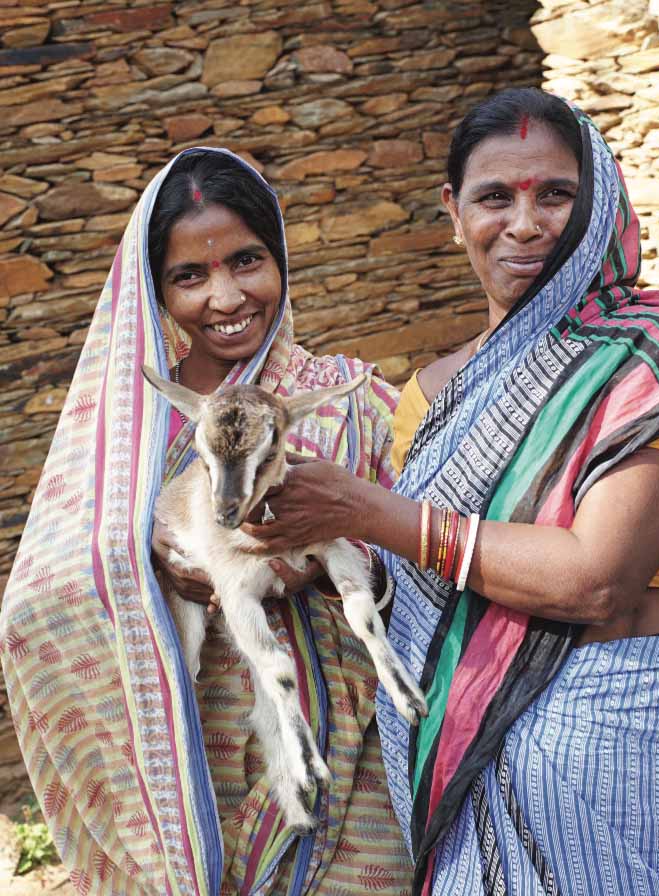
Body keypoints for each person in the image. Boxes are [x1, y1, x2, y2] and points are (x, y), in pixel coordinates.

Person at [249, 88, 659, 895]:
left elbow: (595, 580)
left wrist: (364, 509)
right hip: (463, 756)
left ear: (601, 206)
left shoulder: (655, 364)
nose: (524, 225)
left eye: (556, 195)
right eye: (495, 196)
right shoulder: (430, 393)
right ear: (453, 212)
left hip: (626, 757)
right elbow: (424, 583)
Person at [0, 148, 414, 894]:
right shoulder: (123, 434)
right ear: (154, 289)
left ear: (281, 256)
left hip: (354, 771)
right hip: (182, 779)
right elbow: (37, 607)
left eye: (248, 261)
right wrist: (139, 561)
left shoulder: (353, 401)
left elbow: (427, 566)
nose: (226, 297)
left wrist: (322, 563)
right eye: (190, 276)